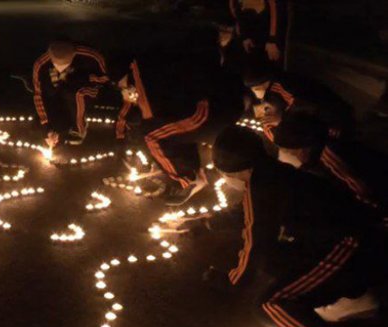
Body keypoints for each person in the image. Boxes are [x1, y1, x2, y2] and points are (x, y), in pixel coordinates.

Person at [208, 126, 385, 327]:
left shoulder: (263, 188)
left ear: (228, 173)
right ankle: (345, 294)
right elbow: (246, 217)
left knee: (271, 304)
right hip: (345, 240)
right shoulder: (273, 173)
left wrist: (233, 281)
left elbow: (255, 240)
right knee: (272, 262)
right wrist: (206, 222)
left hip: (352, 246)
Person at [114, 56, 214, 206]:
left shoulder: (146, 107)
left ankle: (187, 180)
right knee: (159, 135)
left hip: (178, 107)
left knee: (153, 136)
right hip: (175, 103)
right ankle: (187, 179)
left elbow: (151, 136)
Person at [272, 113, 379, 209]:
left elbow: (359, 188)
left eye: (291, 152)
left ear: (303, 147)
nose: (290, 154)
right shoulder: (323, 143)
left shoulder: (328, 155)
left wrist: (372, 210)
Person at [243, 60, 353, 142]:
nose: (256, 96)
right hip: (320, 126)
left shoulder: (283, 86)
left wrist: (283, 118)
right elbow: (267, 123)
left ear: (260, 86)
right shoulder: (269, 96)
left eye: (254, 90)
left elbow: (307, 106)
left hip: (335, 121)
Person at [32, 39, 109, 148]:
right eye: (56, 64)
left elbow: (105, 78)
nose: (60, 68)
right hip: (59, 95)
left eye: (65, 64)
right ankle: (58, 131)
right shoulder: (40, 64)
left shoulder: (91, 56)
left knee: (75, 93)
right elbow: (38, 95)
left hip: (84, 90)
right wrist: (46, 126)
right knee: (51, 126)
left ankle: (79, 129)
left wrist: (84, 78)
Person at [228, 0, 288, 66]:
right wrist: (244, 36)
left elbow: (274, 7)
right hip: (249, 35)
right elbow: (235, 8)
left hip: (267, 34)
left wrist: (272, 39)